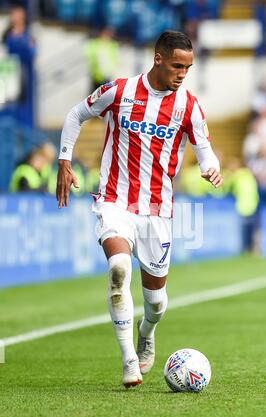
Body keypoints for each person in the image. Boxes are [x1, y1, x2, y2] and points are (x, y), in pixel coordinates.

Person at [56, 31, 223, 388]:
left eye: (188, 68)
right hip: (115, 201)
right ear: (158, 59)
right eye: (178, 65)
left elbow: (204, 147)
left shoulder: (188, 105)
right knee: (118, 270)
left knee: (156, 303)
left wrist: (212, 166)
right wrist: (64, 159)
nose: (183, 73)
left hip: (158, 211)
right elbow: (75, 114)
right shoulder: (119, 91)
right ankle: (129, 359)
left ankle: (146, 333)